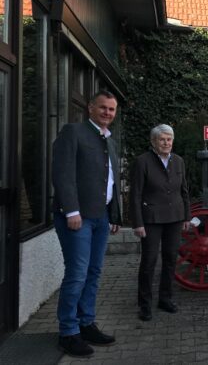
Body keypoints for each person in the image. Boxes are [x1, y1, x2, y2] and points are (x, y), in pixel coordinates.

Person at [52, 90, 122, 358]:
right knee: (77, 273)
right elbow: (63, 173)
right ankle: (68, 332)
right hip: (77, 217)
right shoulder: (73, 132)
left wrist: (114, 215)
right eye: (103, 107)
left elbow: (111, 182)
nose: (107, 113)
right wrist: (71, 210)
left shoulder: (109, 141)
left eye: (112, 109)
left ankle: (86, 323)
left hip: (101, 217)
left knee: (93, 272)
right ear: (91, 108)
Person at [130, 124, 191, 321]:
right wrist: (138, 223)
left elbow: (184, 191)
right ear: (153, 142)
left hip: (175, 218)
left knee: (171, 259)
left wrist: (186, 216)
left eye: (169, 139)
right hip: (151, 219)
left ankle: (165, 298)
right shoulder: (142, 162)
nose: (166, 143)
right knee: (149, 261)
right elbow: (135, 194)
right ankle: (144, 304)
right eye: (162, 139)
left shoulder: (179, 161)